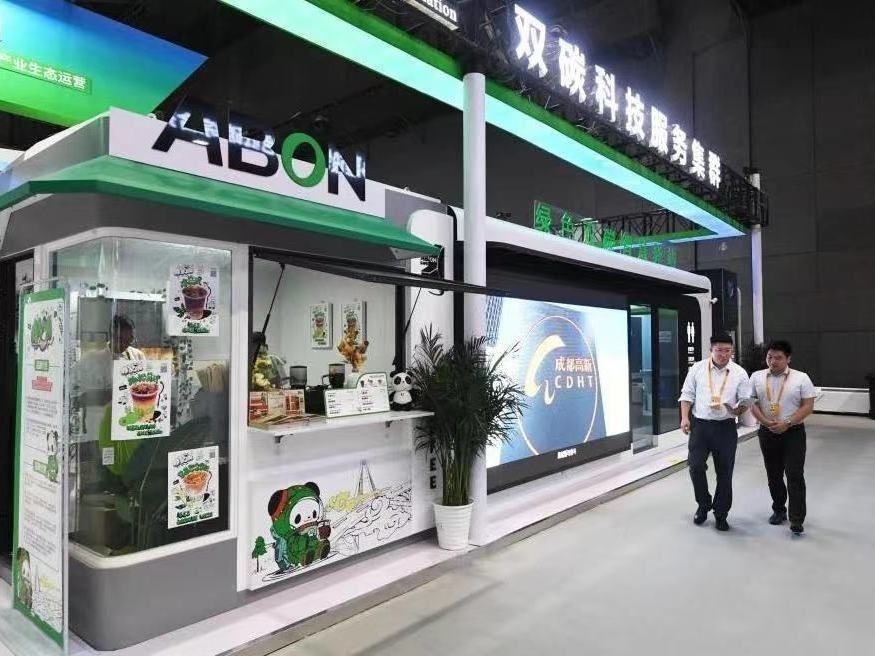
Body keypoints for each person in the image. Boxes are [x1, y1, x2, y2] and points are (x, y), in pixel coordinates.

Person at [679, 333, 752, 531]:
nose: (723, 354)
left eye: (728, 351)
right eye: (719, 350)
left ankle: (721, 513)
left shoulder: (739, 373)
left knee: (725, 471)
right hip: (700, 426)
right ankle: (703, 504)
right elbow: (687, 394)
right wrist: (685, 417)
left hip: (725, 427)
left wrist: (737, 410)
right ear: (711, 349)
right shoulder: (697, 368)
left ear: (732, 351)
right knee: (695, 466)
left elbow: (745, 400)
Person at [748, 340, 816, 535]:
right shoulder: (757, 377)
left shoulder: (801, 378)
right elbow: (752, 403)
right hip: (767, 432)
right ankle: (779, 509)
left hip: (793, 432)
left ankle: (797, 519)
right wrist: (765, 422)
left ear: (788, 359)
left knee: (794, 474)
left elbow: (808, 406)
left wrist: (787, 423)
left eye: (778, 358)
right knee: (774, 474)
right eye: (770, 357)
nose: (773, 361)